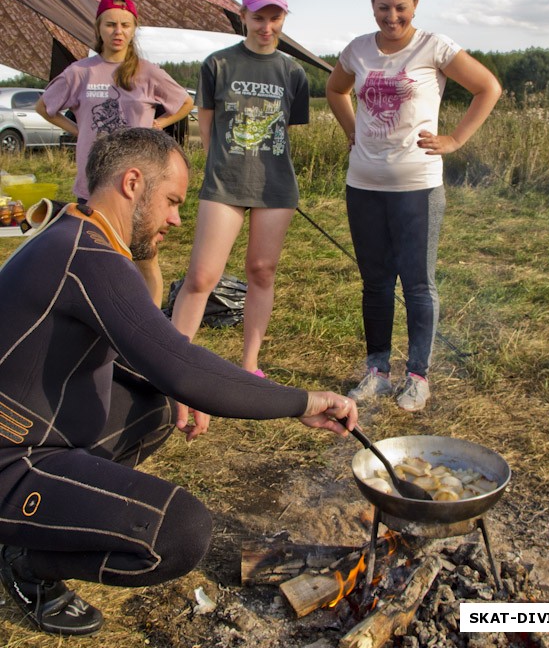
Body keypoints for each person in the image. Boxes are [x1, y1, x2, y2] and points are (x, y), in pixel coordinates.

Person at [0, 128, 357, 637]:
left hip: (33, 426)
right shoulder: (87, 257)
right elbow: (181, 366)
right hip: (12, 456)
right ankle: (29, 562)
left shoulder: (77, 231)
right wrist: (302, 401)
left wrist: (175, 384)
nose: (175, 217)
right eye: (170, 201)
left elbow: (153, 353)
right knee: (179, 533)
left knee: (159, 404)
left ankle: (49, 516)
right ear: (131, 183)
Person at [326, 0, 502, 412]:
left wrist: (456, 139)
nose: (391, 17)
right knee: (375, 283)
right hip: (363, 184)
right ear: (372, 6)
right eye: (383, 7)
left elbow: (487, 87)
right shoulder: (357, 51)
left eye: (400, 7)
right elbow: (335, 91)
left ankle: (418, 376)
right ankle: (377, 371)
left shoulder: (434, 47)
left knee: (418, 284)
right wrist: (353, 132)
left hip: (418, 186)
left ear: (415, 5)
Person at [171, 0, 309, 427]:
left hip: (275, 189)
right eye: (259, 17)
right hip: (225, 184)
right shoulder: (218, 64)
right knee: (202, 277)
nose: (267, 26)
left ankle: (250, 364)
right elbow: (206, 128)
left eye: (275, 17)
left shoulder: (293, 73)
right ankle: (171, 368)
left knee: (261, 271)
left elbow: (286, 136)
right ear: (243, 16)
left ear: (283, 19)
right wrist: (221, 170)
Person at [35, 0, 194, 306]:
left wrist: (158, 125)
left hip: (140, 185)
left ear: (134, 29)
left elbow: (185, 102)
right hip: (94, 183)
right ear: (99, 29)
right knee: (97, 258)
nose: (117, 32)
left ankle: (149, 324)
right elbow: (45, 107)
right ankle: (103, 320)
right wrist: (77, 128)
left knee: (144, 258)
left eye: (124, 25)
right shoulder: (81, 72)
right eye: (110, 25)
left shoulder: (147, 72)